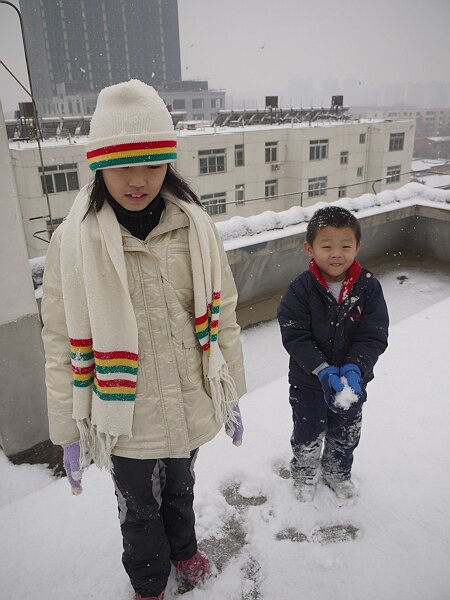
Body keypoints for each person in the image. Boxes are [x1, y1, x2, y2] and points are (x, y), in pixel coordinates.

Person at [41, 79, 246, 600]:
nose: (139, 180)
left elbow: (223, 315)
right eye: (124, 165)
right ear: (99, 166)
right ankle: (150, 582)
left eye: (152, 164)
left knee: (180, 488)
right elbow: (60, 339)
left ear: (168, 164)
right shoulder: (72, 243)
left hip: (189, 398)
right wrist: (67, 428)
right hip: (123, 416)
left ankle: (184, 551)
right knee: (138, 507)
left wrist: (232, 393)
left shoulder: (195, 227)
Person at [277, 205, 388, 502]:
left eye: (345, 246)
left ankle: (338, 472)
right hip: (309, 382)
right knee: (308, 433)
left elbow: (373, 334)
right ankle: (304, 474)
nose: (336, 253)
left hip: (352, 383)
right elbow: (294, 335)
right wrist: (322, 368)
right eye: (326, 246)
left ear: (358, 247)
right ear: (309, 248)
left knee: (346, 432)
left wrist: (355, 367)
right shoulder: (301, 289)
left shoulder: (368, 288)